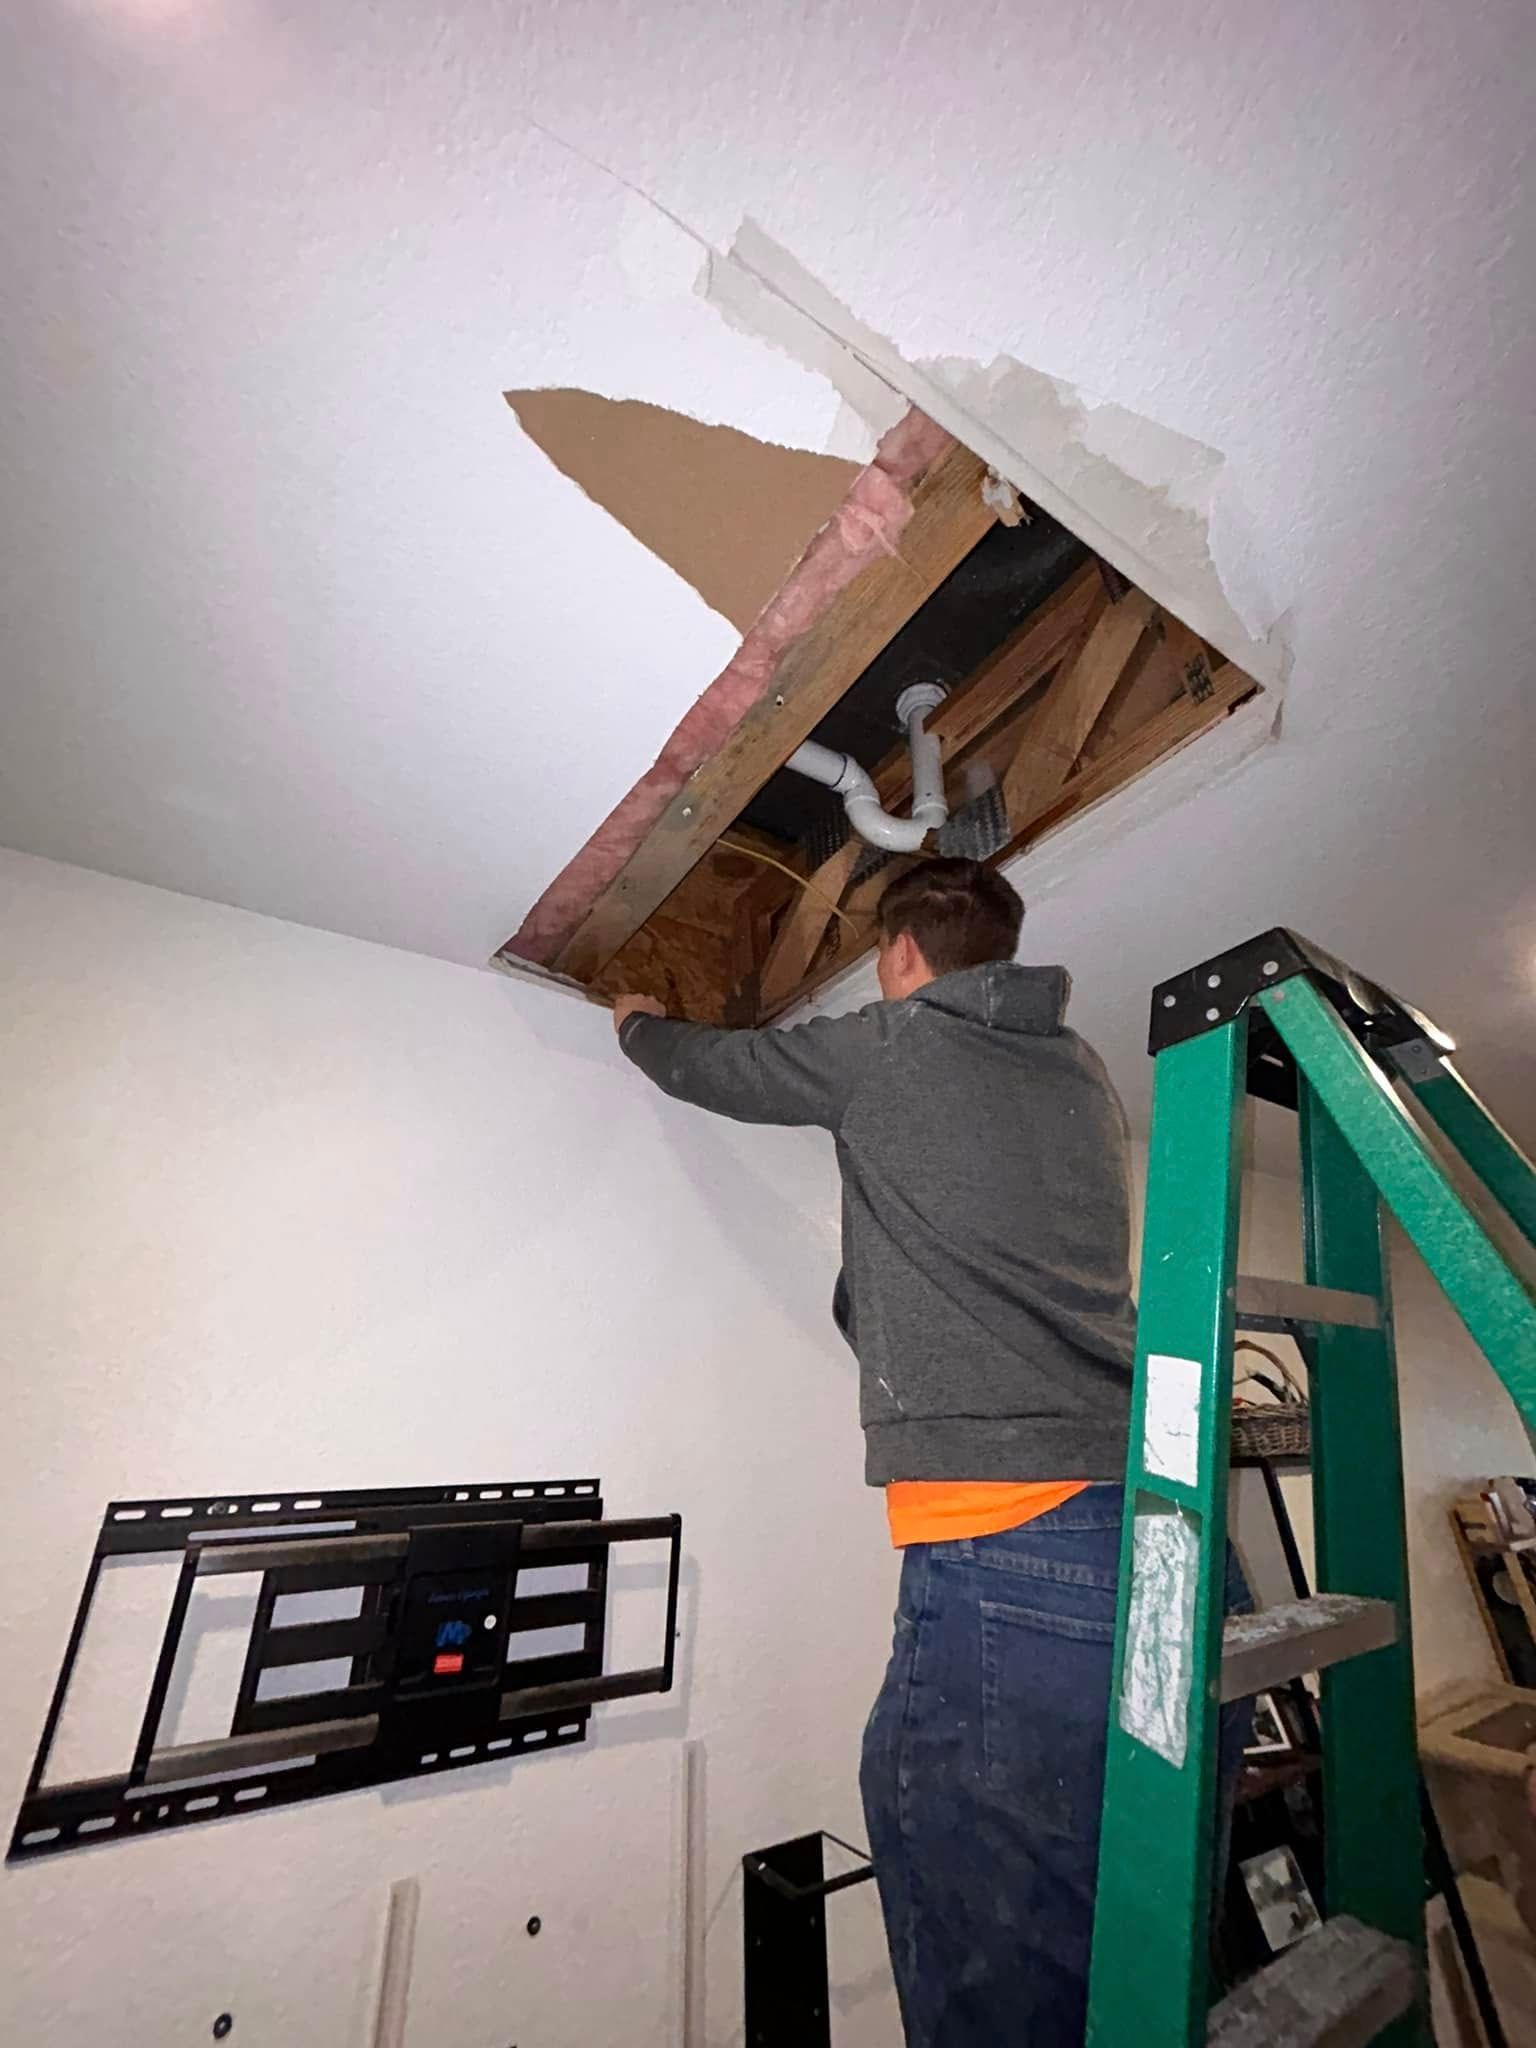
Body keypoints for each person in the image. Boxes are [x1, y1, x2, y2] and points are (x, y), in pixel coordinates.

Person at [610, 856, 1178, 2045]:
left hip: (1011, 1540)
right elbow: (979, 1236)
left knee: (984, 1927)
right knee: (1136, 1912)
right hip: (1154, 1523)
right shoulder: (1082, 1073)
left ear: (903, 952)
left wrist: (635, 1024)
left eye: (883, 954)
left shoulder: (892, 1042)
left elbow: (723, 1069)